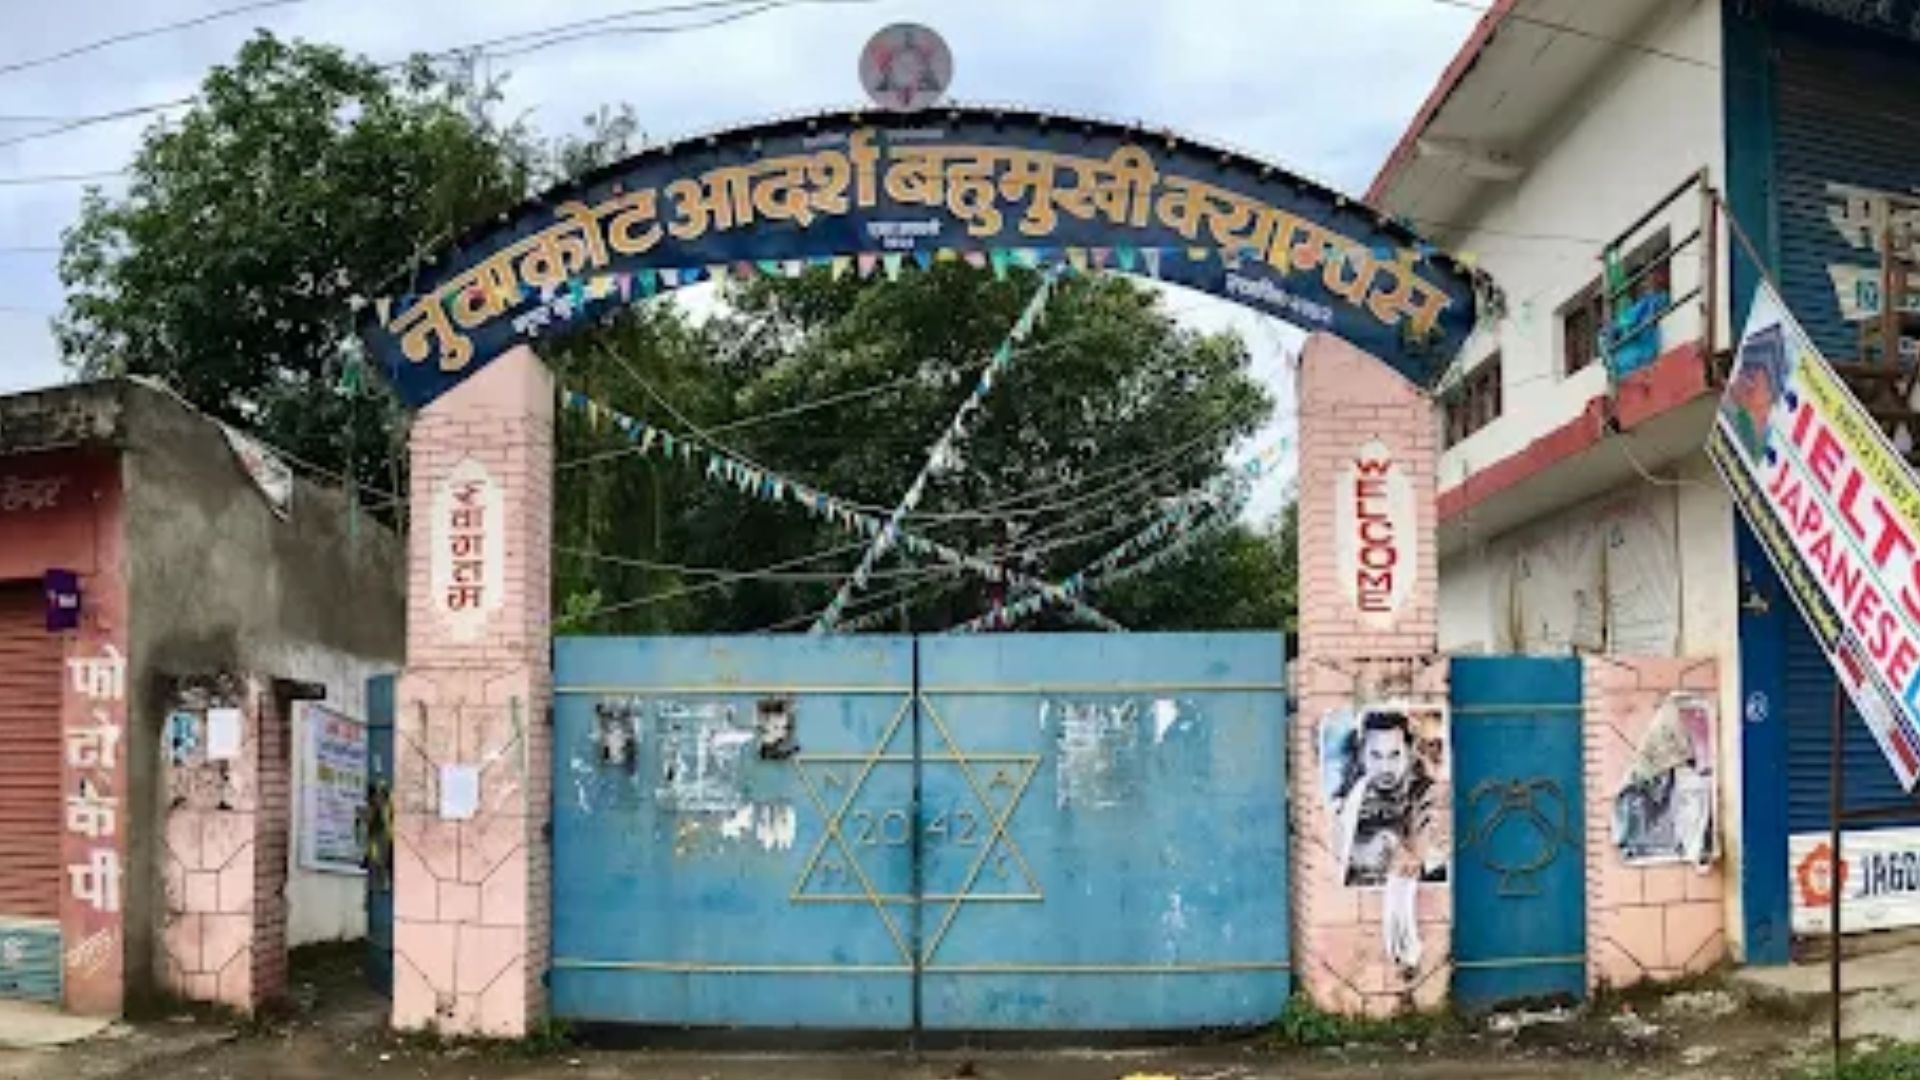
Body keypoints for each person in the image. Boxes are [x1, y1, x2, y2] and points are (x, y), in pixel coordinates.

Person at [1331, 710, 1445, 887]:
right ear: (1362, 755)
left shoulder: (1427, 794)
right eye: (1376, 755)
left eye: (1394, 755)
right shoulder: (1347, 798)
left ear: (1408, 752)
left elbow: (1436, 860)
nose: (1385, 767)